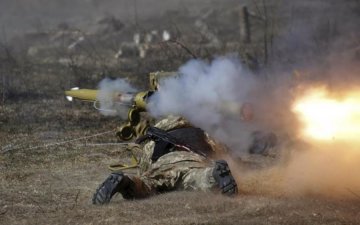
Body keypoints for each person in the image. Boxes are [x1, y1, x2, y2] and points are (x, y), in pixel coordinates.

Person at [92, 115, 238, 204]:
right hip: (192, 160)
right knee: (198, 179)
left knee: (145, 185)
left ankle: (125, 181)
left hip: (162, 163)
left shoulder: (154, 137)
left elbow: (146, 164)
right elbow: (221, 151)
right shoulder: (203, 133)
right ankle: (214, 175)